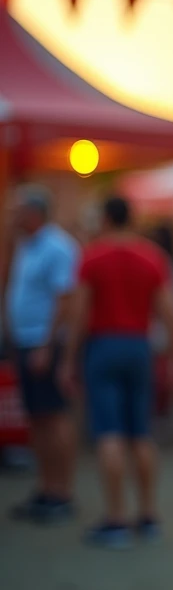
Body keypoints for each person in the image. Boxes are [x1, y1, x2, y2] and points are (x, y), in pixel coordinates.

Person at [61, 196, 173, 549]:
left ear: (105, 217)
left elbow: (80, 313)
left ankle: (116, 517)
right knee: (141, 433)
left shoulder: (93, 255)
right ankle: (147, 513)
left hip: (103, 346)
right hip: (139, 346)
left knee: (109, 433)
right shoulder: (152, 255)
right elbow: (171, 313)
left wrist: (69, 358)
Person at [3, 185, 80, 523]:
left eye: (18, 211)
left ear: (33, 213)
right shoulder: (28, 245)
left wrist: (48, 346)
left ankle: (61, 491)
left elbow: (65, 300)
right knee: (37, 416)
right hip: (27, 341)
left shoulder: (57, 246)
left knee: (53, 415)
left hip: (43, 343)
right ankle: (47, 488)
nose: (13, 217)